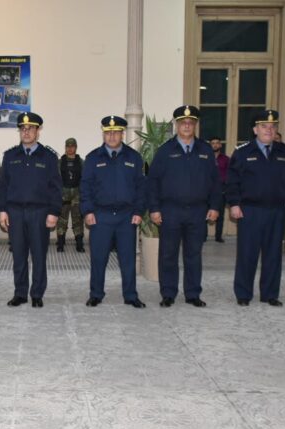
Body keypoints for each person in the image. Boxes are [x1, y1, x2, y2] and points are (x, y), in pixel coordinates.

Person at [226, 110, 285, 307]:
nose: (269, 130)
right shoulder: (243, 152)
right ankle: (243, 294)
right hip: (250, 211)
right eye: (264, 126)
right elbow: (232, 181)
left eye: (272, 126)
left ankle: (270, 294)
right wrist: (234, 204)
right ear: (255, 129)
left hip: (276, 210)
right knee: (247, 254)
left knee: (273, 255)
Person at [146, 106, 220, 307]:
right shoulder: (165, 151)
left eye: (191, 122)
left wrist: (214, 206)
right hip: (171, 210)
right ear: (177, 125)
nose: (187, 125)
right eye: (183, 122)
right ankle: (168, 293)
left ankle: (193, 294)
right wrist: (154, 208)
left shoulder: (205, 150)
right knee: (168, 254)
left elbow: (215, 182)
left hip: (198, 211)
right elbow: (152, 182)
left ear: (195, 125)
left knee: (194, 255)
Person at [0, 112, 62, 308]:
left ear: (38, 131)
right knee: (18, 255)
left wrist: (54, 212)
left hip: (40, 213)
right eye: (23, 129)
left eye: (30, 128)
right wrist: (2, 210)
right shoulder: (10, 156)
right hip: (15, 212)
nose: (26, 132)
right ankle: (20, 293)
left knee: (39, 255)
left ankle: (37, 294)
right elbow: (3, 187)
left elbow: (56, 188)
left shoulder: (49, 157)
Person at [80, 116, 146, 308]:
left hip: (127, 217)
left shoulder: (133, 157)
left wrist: (139, 211)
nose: (111, 136)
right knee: (98, 259)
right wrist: (88, 211)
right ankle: (96, 294)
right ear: (103, 133)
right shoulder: (93, 158)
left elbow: (141, 187)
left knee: (128, 260)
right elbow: (85, 187)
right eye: (108, 132)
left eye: (115, 132)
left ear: (122, 134)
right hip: (101, 216)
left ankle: (131, 295)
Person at [57, 137, 85, 252]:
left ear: (76, 147)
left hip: (77, 194)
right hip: (63, 194)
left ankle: (79, 243)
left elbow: (85, 179)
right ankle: (60, 242)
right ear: (65, 147)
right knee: (62, 219)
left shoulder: (81, 162)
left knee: (77, 219)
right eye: (68, 146)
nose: (70, 148)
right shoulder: (59, 162)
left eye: (72, 146)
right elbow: (56, 179)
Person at [210, 136, 229, 243]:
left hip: (221, 190)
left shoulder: (226, 159)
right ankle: (203, 236)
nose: (215, 145)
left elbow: (230, 173)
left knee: (220, 214)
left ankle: (218, 236)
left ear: (220, 145)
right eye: (213, 143)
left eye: (217, 143)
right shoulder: (206, 158)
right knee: (204, 213)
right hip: (207, 190)